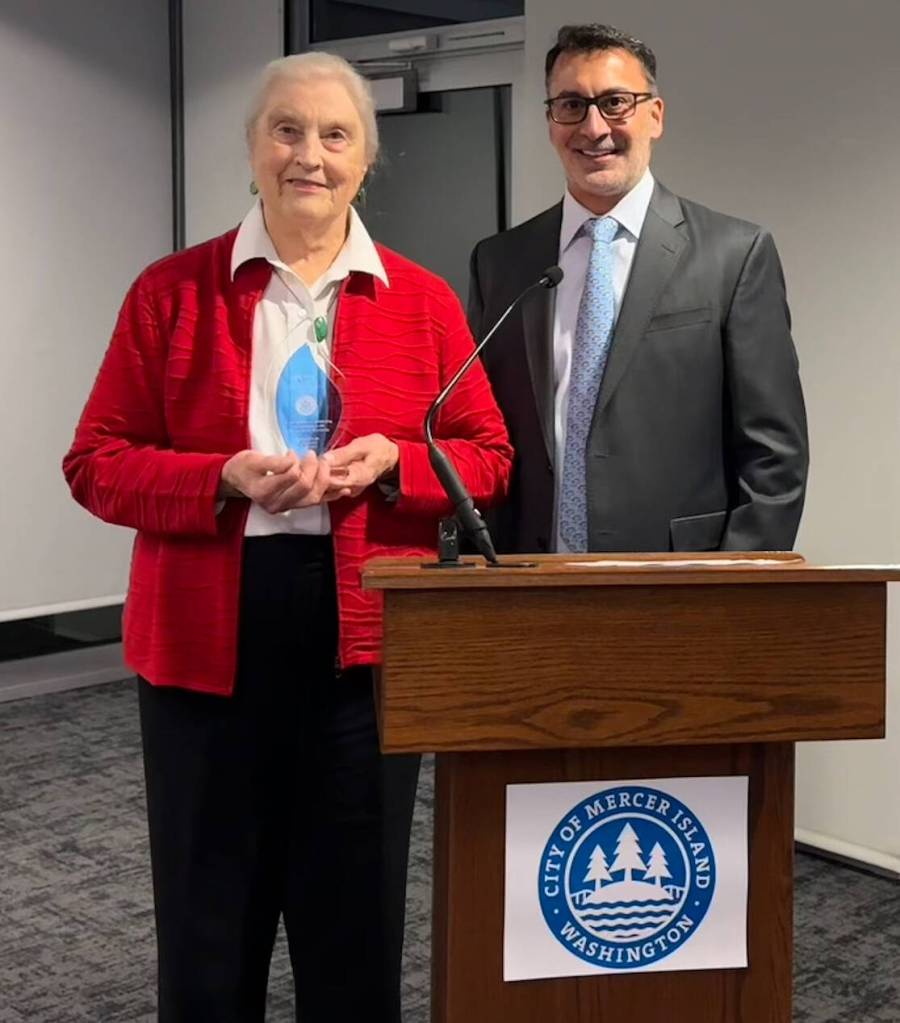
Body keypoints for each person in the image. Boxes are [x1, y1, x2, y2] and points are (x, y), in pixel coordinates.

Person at [63, 51, 511, 1023]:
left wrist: (395, 457)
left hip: (364, 651)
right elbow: (94, 460)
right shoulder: (170, 294)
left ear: (366, 158)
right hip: (202, 653)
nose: (309, 154)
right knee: (208, 932)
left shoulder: (423, 301)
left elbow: (487, 456)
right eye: (287, 130)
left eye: (335, 134)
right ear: (254, 148)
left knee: (352, 934)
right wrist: (213, 476)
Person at [469, 23, 808, 555]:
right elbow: (481, 432)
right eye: (571, 105)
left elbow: (774, 457)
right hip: (527, 581)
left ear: (655, 116)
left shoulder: (733, 254)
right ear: (550, 121)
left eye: (616, 102)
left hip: (679, 587)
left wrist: (735, 588)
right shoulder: (502, 262)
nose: (594, 126)